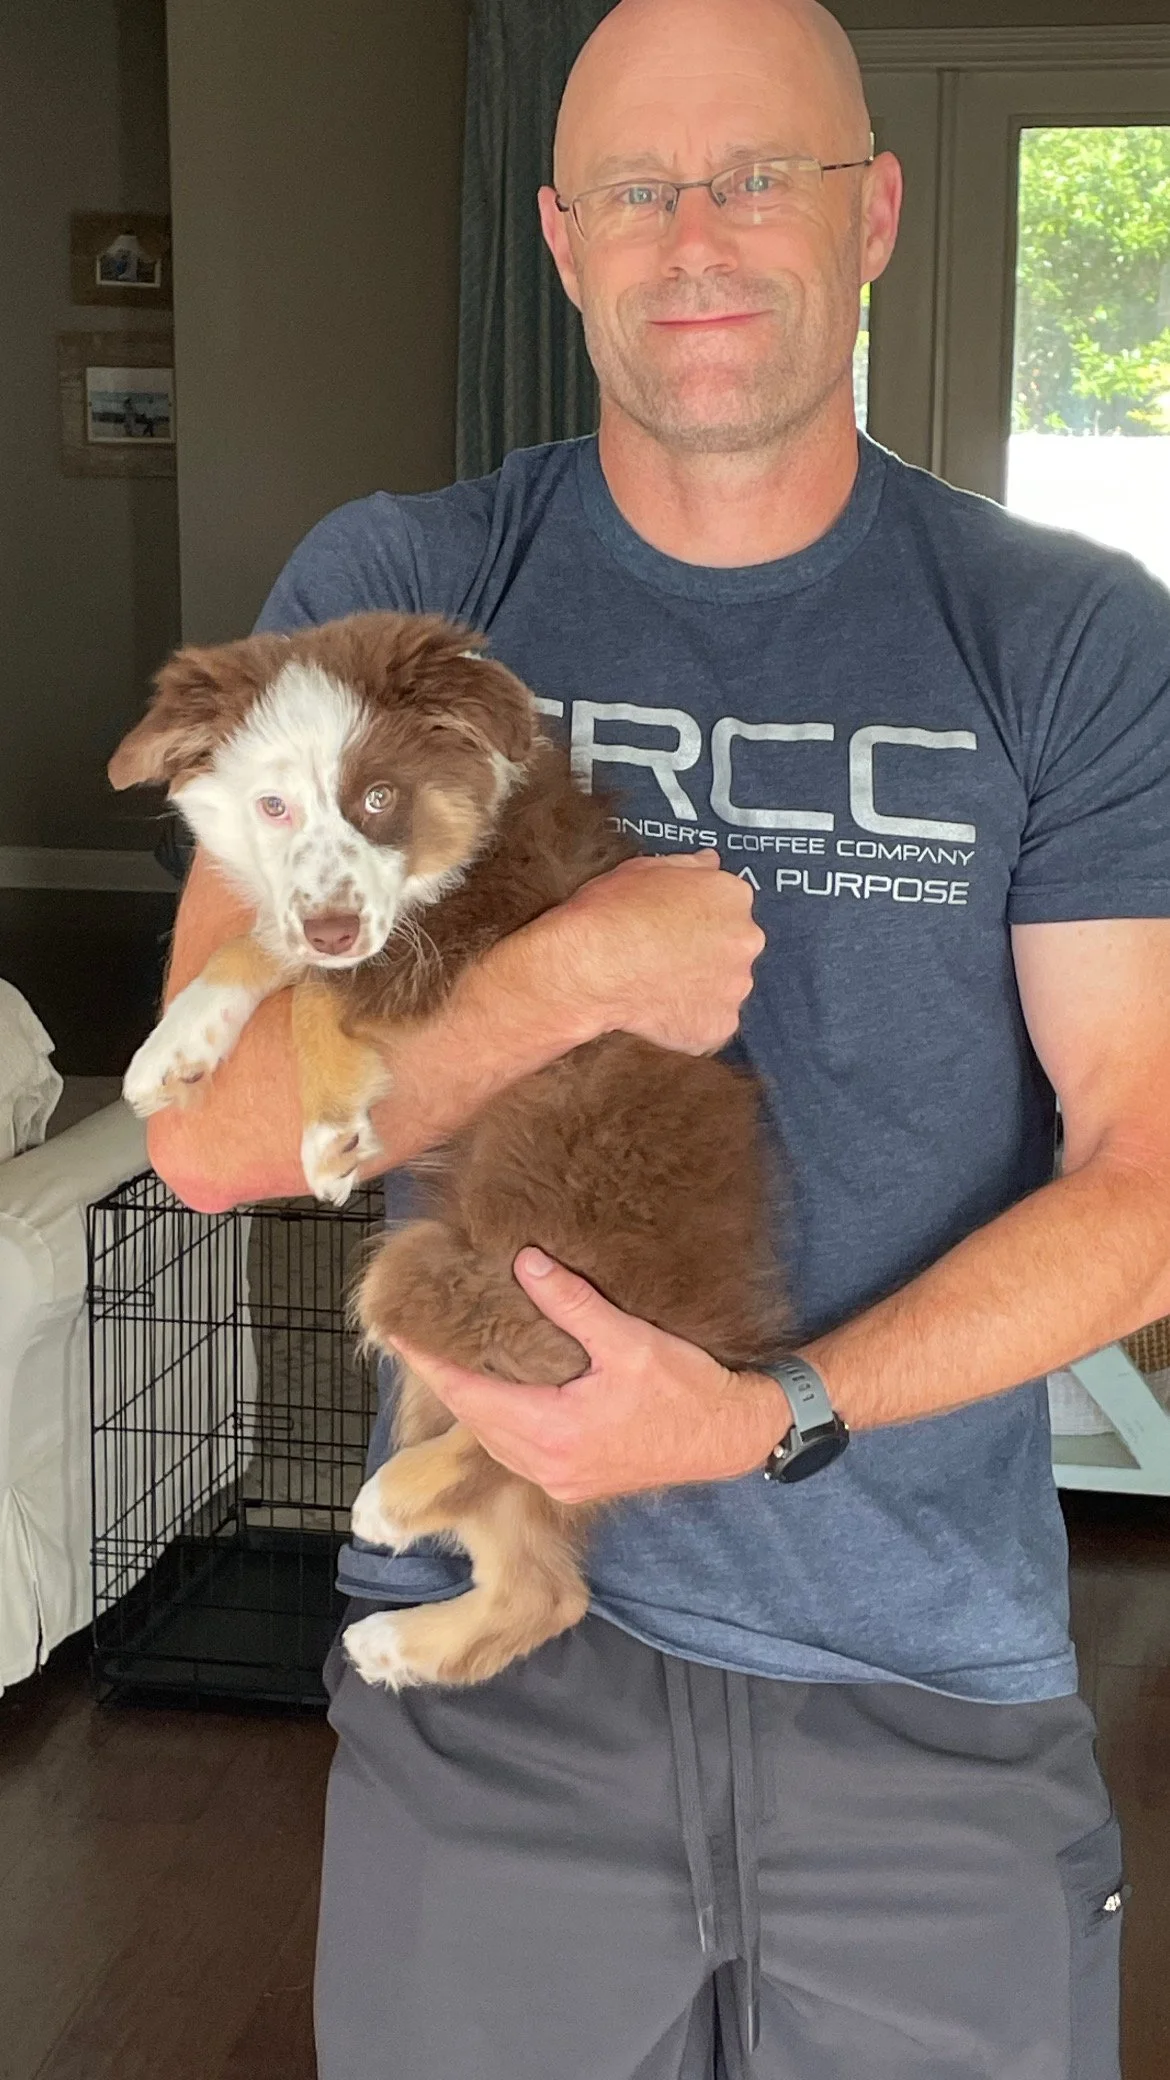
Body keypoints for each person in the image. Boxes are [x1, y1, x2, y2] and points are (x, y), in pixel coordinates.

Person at [150, 1, 1170, 2072]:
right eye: (639, 186)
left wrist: (759, 1410)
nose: (696, 236)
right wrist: (567, 975)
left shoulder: (1067, 636)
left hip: (926, 1685)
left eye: (758, 177)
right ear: (560, 233)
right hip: (508, 1698)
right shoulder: (406, 584)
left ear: (870, 213)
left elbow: (1148, 1180)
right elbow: (213, 1125)